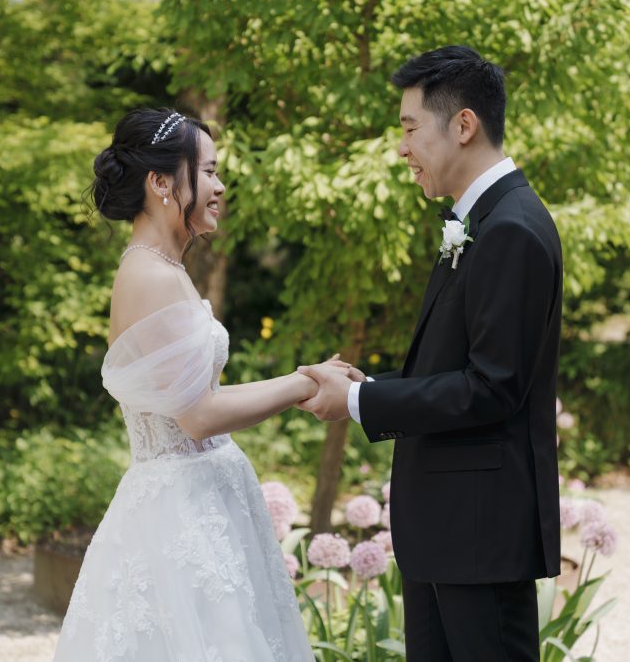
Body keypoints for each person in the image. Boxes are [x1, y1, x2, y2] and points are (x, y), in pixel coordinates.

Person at [298, 45, 563, 661]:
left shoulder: (512, 230)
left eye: (410, 128)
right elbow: (458, 370)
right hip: (450, 535)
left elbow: (493, 387)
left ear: (463, 125)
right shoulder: (481, 223)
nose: (402, 148)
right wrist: (374, 388)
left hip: (480, 537)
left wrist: (363, 401)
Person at [53, 107, 333, 661]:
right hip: (179, 512)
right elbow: (199, 416)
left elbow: (195, 401)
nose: (219, 186)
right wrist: (305, 384)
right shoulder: (150, 277)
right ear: (161, 182)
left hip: (205, 498)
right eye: (207, 171)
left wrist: (302, 379)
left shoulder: (164, 267)